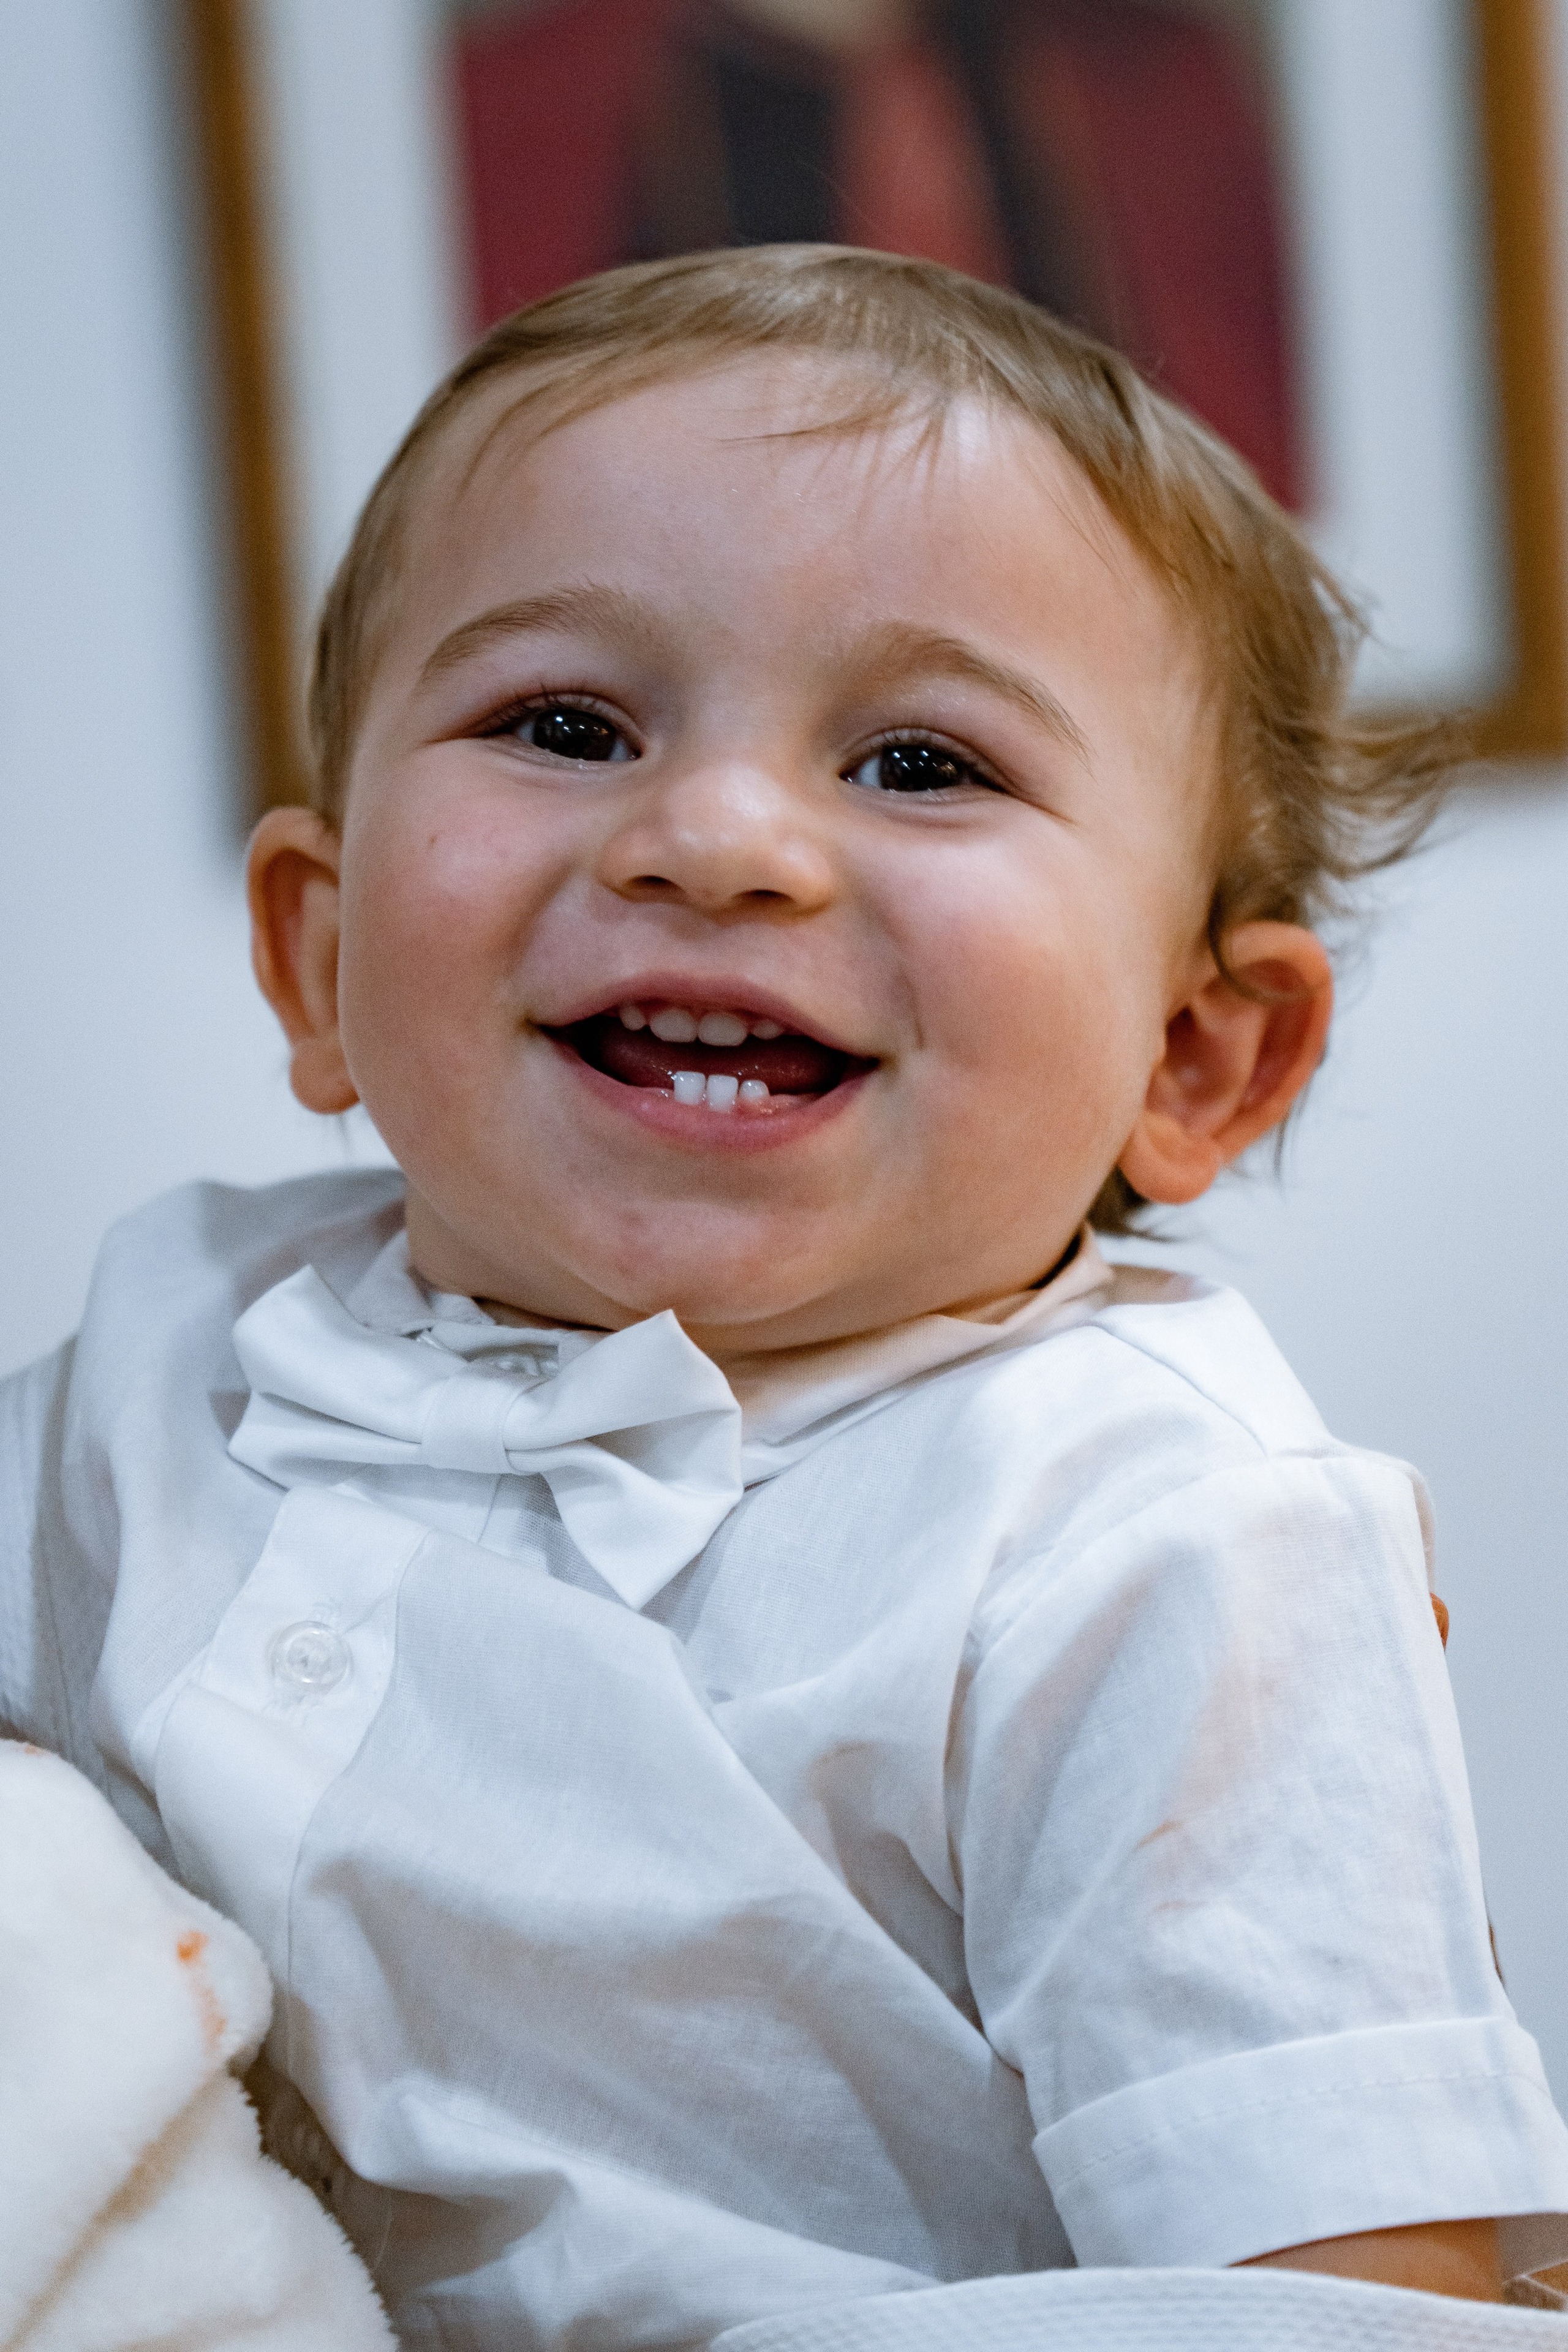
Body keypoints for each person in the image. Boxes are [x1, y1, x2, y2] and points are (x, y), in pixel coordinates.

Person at [3, 246, 1566, 2348]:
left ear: (1198, 1060)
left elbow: (1327, 2304)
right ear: (318, 951)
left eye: (922, 763)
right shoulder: (165, 1350)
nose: (720, 838)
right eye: (568, 722)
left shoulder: (1156, 1535)